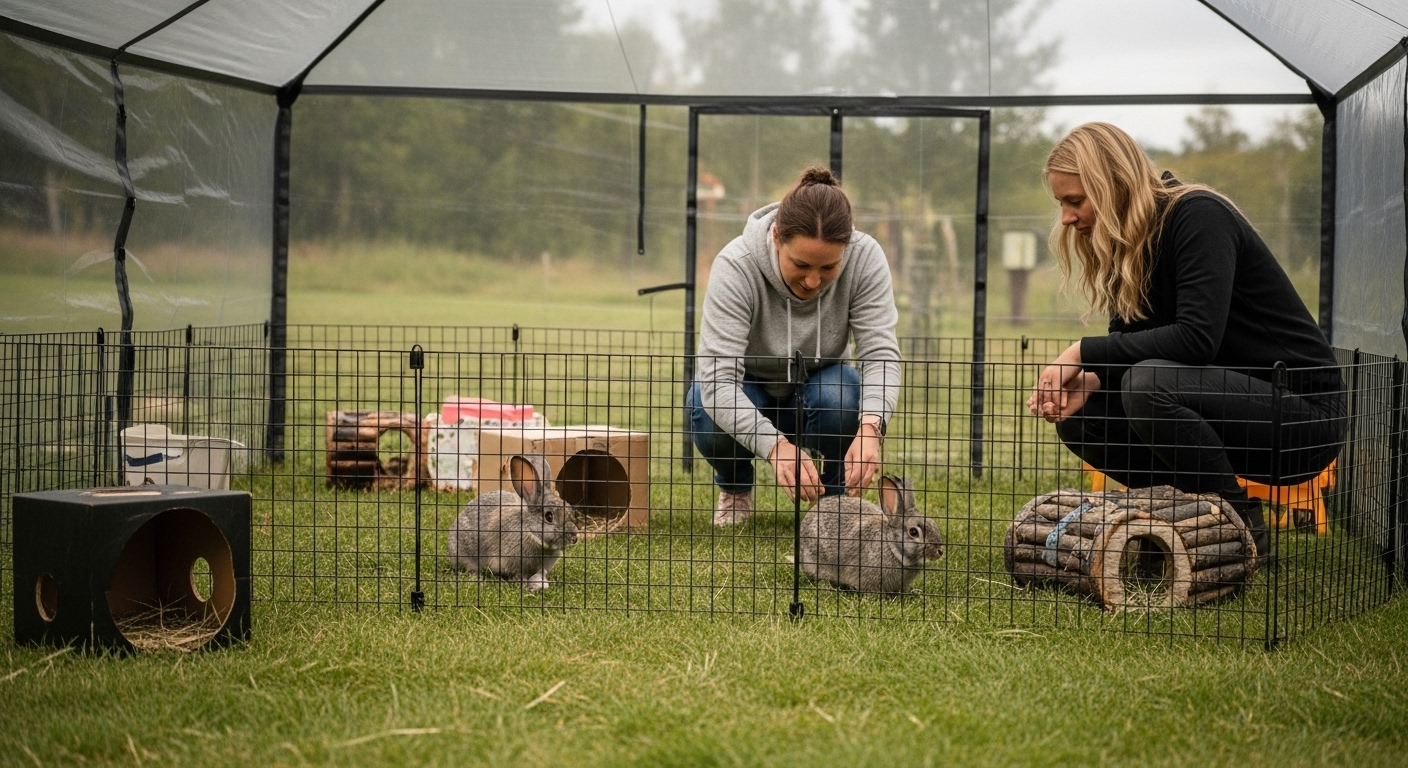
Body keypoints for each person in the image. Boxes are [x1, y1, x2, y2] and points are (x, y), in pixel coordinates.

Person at [1028, 122, 1346, 562]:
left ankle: (1238, 525)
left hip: (1299, 419)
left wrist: (1080, 353)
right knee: (1083, 416)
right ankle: (1170, 523)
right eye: (1062, 203)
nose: (1065, 217)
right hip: (1219, 404)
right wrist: (1092, 381)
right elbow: (1134, 342)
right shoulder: (1132, 240)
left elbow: (1196, 340)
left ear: (1112, 186)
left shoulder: (1198, 215)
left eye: (1075, 201)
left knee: (1146, 384)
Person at [689, 166, 901, 526]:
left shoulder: (866, 258)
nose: (813, 280)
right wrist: (776, 446)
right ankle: (736, 487)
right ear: (776, 237)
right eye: (800, 264)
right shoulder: (736, 266)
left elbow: (880, 352)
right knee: (706, 409)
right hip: (747, 389)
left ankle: (837, 506)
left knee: (843, 394)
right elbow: (718, 383)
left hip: (818, 389)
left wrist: (871, 429)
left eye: (829, 267)